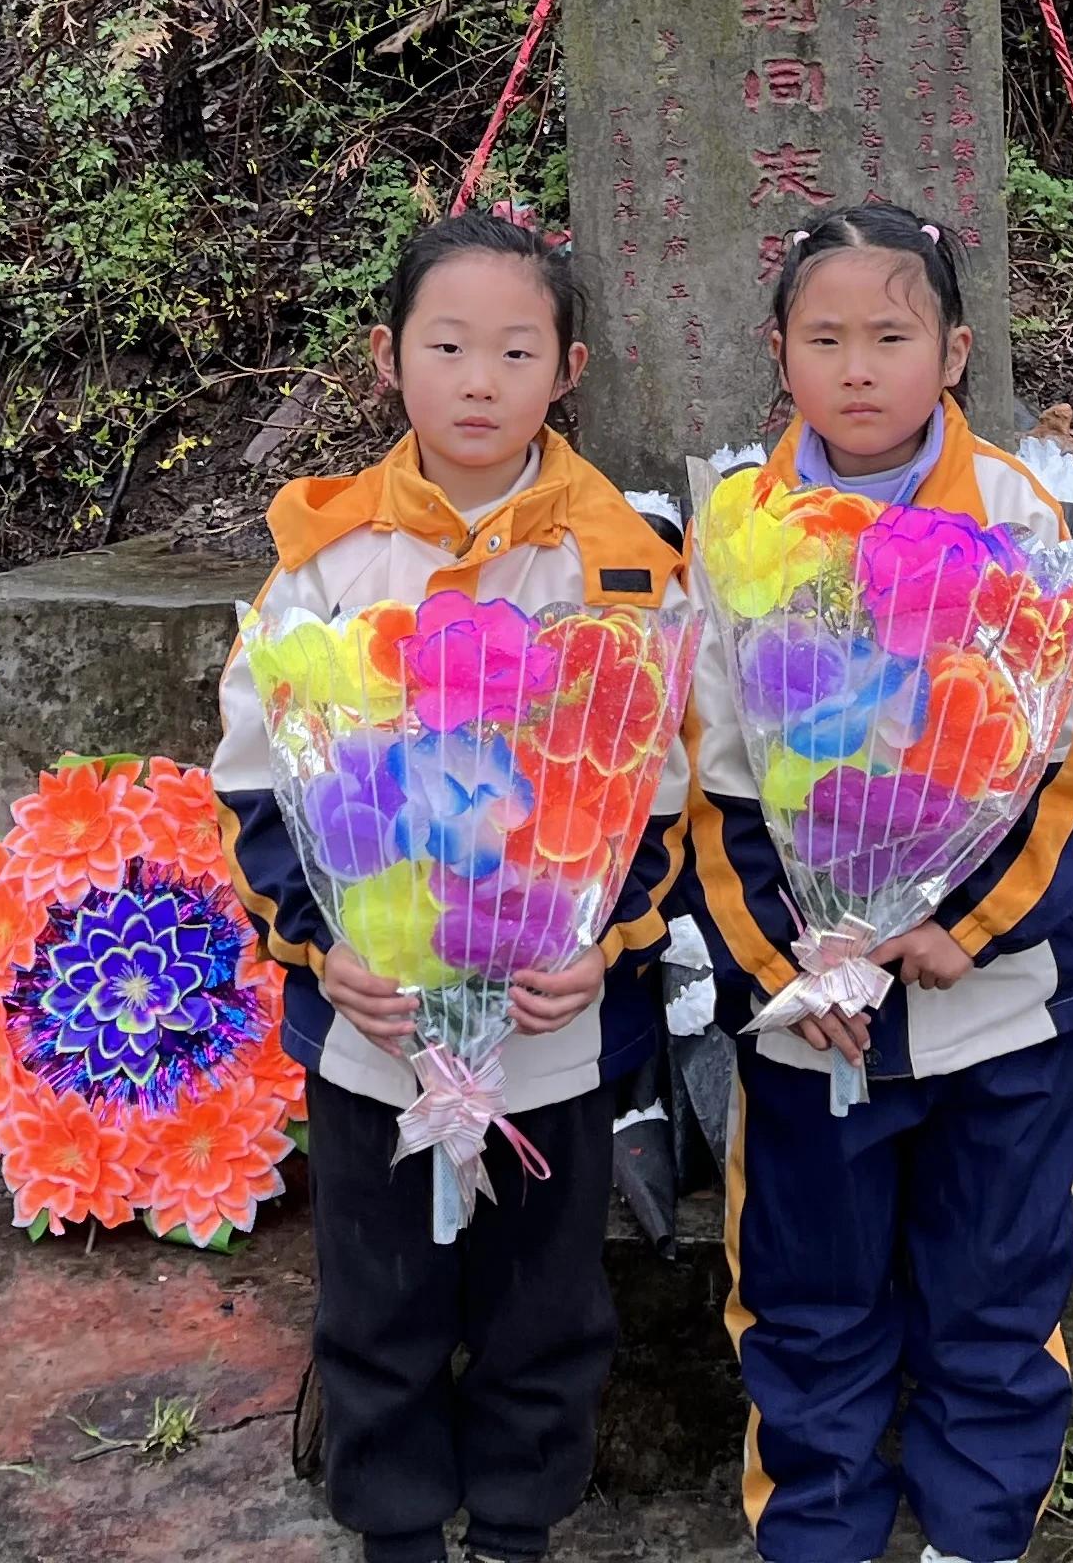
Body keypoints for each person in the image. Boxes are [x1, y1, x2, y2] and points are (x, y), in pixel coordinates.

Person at [215, 208, 691, 1563]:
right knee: (379, 1302)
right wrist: (321, 954)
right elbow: (260, 784)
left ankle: (520, 1528)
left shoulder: (617, 566)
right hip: (375, 1033)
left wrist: (609, 947)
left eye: (516, 351)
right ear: (388, 357)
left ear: (569, 369)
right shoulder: (324, 562)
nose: (479, 381)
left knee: (549, 1304)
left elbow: (655, 796)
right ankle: (400, 1530)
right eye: (447, 345)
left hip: (550, 1029)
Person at [679, 201, 1073, 1563]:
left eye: (891, 334)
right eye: (825, 338)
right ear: (780, 354)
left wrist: (963, 926)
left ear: (954, 350)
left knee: (995, 1291)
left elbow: (1062, 769)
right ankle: (815, 1533)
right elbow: (719, 785)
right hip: (820, 1023)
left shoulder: (1017, 516)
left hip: (999, 1007)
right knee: (809, 1300)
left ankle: (975, 1536)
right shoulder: (738, 529)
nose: (858, 367)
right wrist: (786, 967)